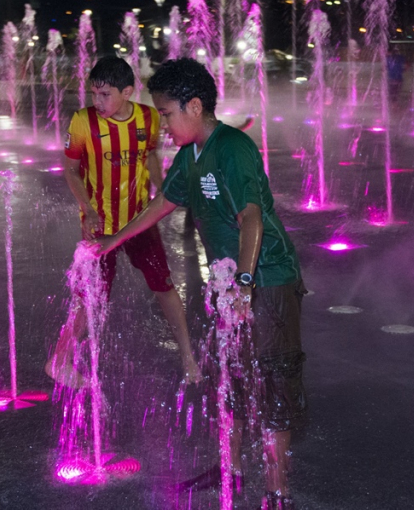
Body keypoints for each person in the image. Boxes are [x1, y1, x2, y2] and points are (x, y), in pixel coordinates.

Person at [90, 58, 305, 509]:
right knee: (229, 376)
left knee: (272, 380)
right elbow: (162, 204)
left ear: (193, 105)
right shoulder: (189, 156)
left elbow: (251, 218)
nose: (162, 124)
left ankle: (277, 491)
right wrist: (113, 240)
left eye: (166, 113)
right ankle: (231, 470)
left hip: (265, 280)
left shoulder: (233, 147)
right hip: (230, 283)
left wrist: (245, 284)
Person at [46, 56, 201, 387]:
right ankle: (58, 360)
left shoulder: (148, 117)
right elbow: (71, 170)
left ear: (128, 91)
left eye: (105, 95)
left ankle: (188, 357)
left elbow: (152, 155)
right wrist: (87, 208)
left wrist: (165, 190)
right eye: (93, 94)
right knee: (90, 295)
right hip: (99, 225)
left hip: (140, 220)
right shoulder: (82, 122)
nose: (97, 102)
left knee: (164, 285)